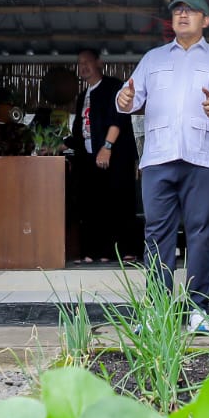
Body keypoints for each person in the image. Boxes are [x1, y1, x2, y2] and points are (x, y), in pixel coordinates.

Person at [117, 0, 209, 335]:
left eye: (191, 11)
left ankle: (198, 310)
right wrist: (125, 99)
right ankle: (157, 310)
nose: (183, 15)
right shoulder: (153, 59)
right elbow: (129, 99)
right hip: (159, 158)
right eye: (178, 11)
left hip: (204, 159)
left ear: (206, 20)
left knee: (201, 234)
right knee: (156, 233)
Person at [68, 48, 140, 264]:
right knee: (94, 204)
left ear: (99, 63)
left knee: (120, 202)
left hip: (116, 156)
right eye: (79, 63)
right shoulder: (83, 96)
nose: (83, 67)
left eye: (87, 62)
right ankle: (98, 251)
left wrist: (107, 146)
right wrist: (61, 145)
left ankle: (126, 250)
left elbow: (118, 118)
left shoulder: (113, 87)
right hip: (91, 157)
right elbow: (80, 130)